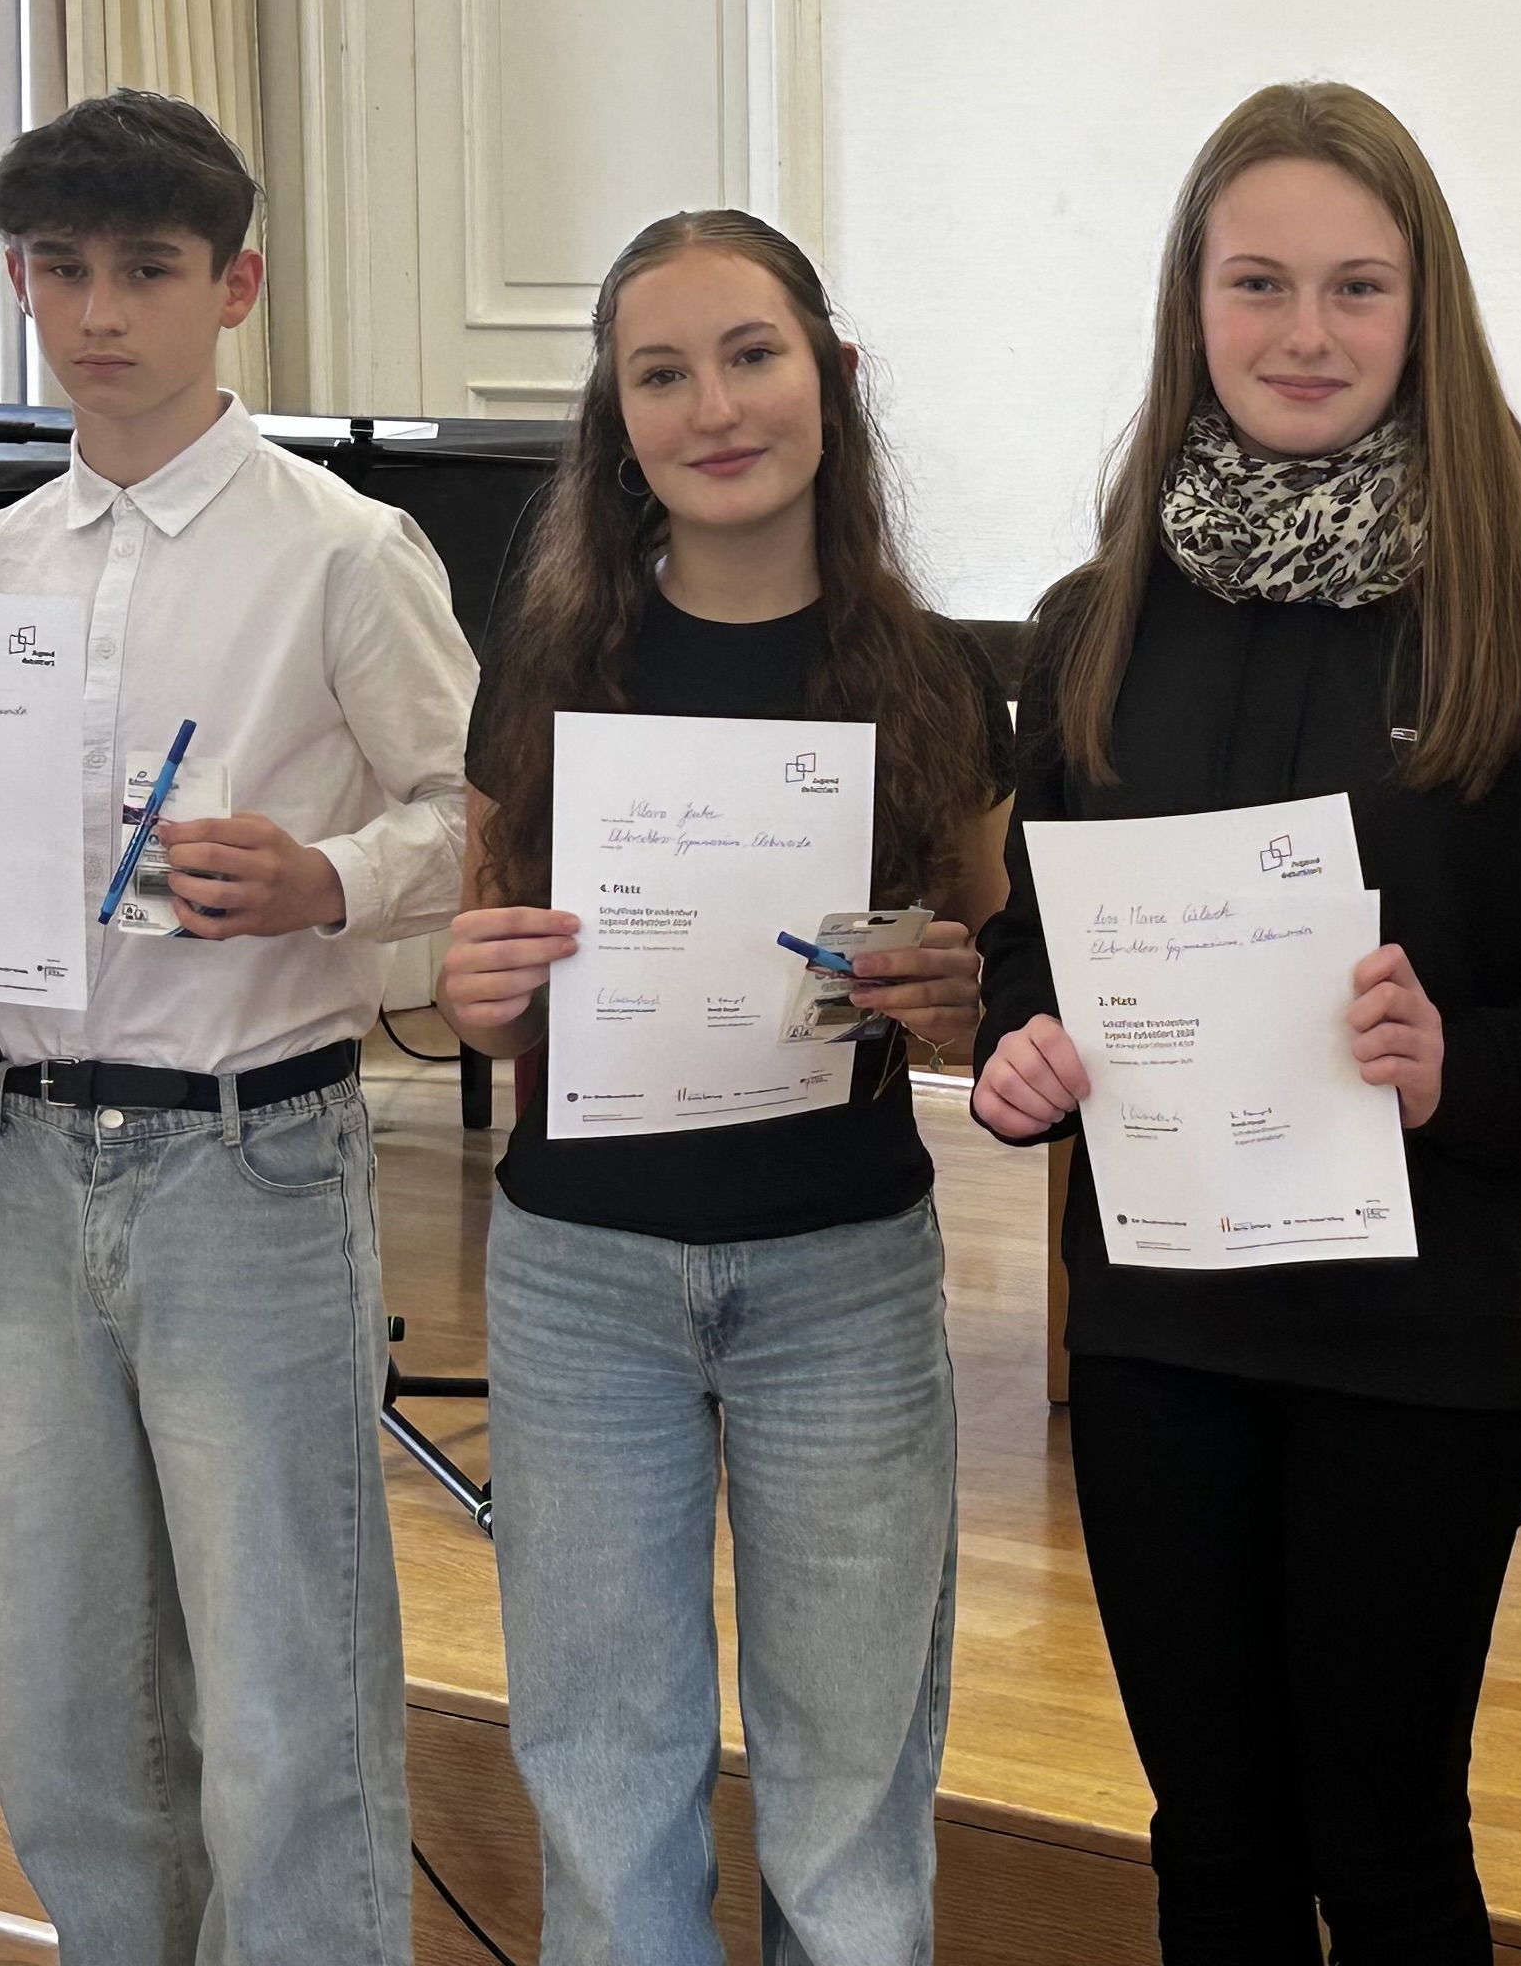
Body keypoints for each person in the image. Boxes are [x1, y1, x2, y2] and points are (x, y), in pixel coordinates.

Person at [972, 83, 1521, 1965]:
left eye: (1357, 286)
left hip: (1421, 1342)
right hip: (1158, 1335)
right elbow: (1034, 936)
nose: (1307, 332)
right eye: (1260, 283)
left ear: (1422, 307)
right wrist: (1020, 1051)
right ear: (1191, 304)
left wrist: (1468, 1068)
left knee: (1385, 1849)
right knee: (1209, 1844)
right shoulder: (1092, 626)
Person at [0, 89, 476, 1963]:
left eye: (147, 270)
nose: (99, 312)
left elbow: (475, 814)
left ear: (235, 286)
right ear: (22, 282)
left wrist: (329, 877)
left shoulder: (344, 551)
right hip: (22, 1156)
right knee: (66, 1692)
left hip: (250, 1156)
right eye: (60, 269)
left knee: (281, 1696)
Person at [442, 208, 1012, 1966]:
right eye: (661, 375)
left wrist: (953, 998)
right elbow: (486, 972)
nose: (714, 408)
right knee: (606, 1783)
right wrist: (470, 995)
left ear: (830, 378)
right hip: (581, 1285)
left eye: (752, 356)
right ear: (616, 422)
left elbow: (985, 983)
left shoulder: (936, 676)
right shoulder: (545, 670)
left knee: (850, 1804)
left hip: (843, 1278)